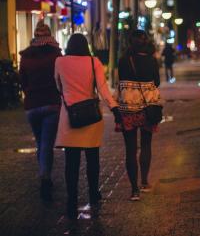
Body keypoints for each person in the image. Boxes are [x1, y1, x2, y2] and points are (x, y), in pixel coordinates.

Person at [54, 34, 122, 219]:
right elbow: (102, 88)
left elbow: (58, 86)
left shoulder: (60, 62)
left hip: (70, 117)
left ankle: (72, 200)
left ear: (68, 46)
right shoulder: (94, 62)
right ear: (86, 46)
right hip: (91, 116)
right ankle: (93, 193)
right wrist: (114, 108)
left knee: (71, 162)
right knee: (93, 158)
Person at [19, 20, 62, 201]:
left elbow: (22, 81)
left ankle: (45, 173)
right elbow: (61, 78)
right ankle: (45, 176)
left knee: (40, 142)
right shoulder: (55, 55)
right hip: (52, 104)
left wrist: (29, 92)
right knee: (46, 144)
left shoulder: (26, 56)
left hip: (32, 105)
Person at [116, 30, 160, 201]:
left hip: (128, 108)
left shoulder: (123, 61)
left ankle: (134, 190)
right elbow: (157, 82)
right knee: (146, 144)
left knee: (130, 149)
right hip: (148, 107)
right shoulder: (151, 61)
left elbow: (120, 81)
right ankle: (144, 182)